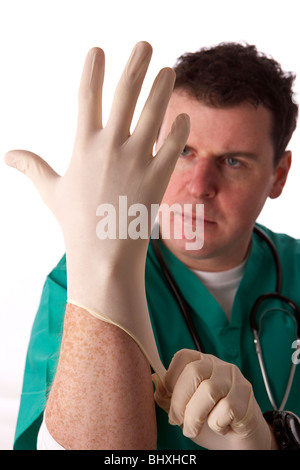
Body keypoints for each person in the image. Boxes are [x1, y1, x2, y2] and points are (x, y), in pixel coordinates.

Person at [6, 41, 300, 451]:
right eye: (182, 151)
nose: (199, 187)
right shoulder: (76, 279)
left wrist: (267, 444)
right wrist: (101, 271)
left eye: (232, 161)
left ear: (279, 175)